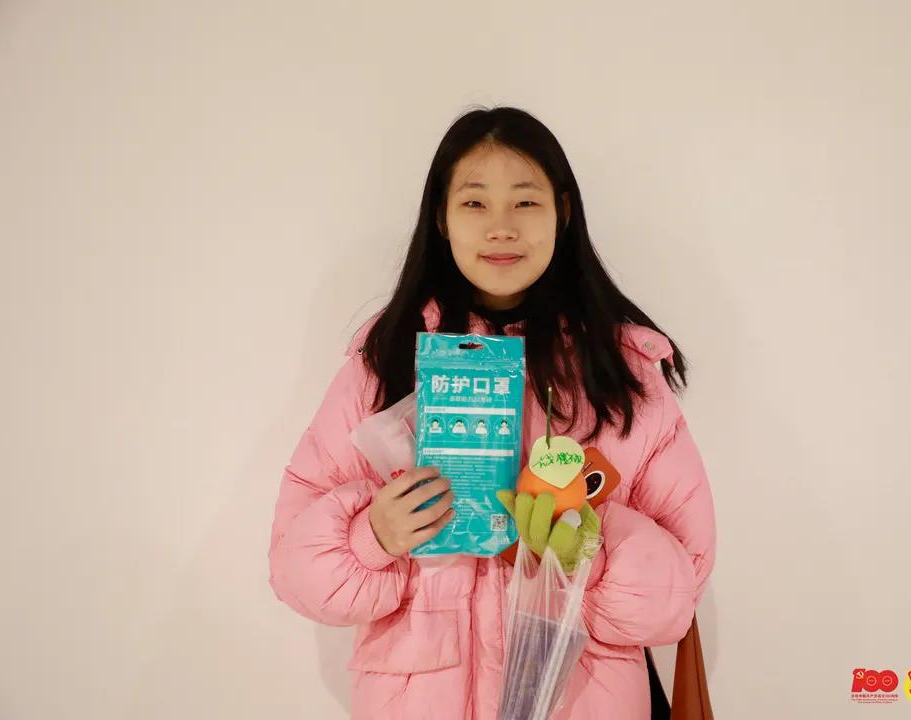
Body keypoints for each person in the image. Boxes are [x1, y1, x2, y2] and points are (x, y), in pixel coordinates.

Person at [267, 106, 716, 720]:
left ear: (561, 212)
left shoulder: (621, 371)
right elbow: (294, 569)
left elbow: (680, 594)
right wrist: (374, 536)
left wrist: (587, 548)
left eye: (525, 202)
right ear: (442, 218)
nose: (501, 228)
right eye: (475, 203)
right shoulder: (388, 361)